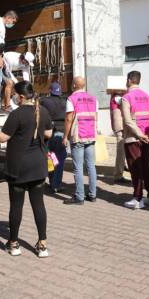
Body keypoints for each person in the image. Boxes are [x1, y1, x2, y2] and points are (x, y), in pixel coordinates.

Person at [0, 80, 53, 258]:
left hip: (18, 168)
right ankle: (42, 245)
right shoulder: (42, 111)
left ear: (20, 97)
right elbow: (49, 133)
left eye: (14, 96)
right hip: (38, 166)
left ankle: (13, 244)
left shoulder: (17, 114)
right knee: (39, 206)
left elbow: (2, 138)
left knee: (16, 206)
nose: (13, 98)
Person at [121, 71, 149, 209]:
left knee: (135, 168)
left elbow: (127, 120)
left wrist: (139, 134)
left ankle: (138, 198)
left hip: (133, 138)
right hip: (146, 137)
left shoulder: (126, 97)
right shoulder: (146, 96)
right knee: (146, 165)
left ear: (129, 80)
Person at [62, 76, 98, 205]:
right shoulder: (93, 98)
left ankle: (79, 197)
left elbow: (68, 119)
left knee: (78, 167)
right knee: (91, 166)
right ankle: (93, 195)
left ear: (74, 85)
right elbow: (96, 117)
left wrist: (65, 136)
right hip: (91, 134)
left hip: (78, 136)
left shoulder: (71, 98)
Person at [40, 81, 67, 193]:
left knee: (50, 157)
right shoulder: (65, 102)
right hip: (61, 133)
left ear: (50, 91)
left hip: (48, 133)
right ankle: (56, 184)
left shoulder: (44, 101)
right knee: (59, 160)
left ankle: (52, 182)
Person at [110, 90, 128, 183]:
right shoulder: (117, 97)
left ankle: (122, 167)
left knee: (123, 150)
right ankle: (118, 175)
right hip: (120, 127)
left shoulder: (117, 96)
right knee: (121, 150)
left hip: (122, 126)